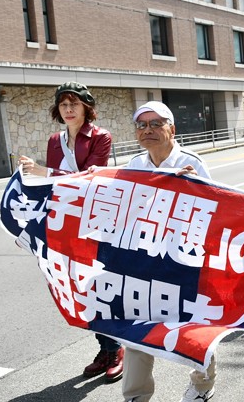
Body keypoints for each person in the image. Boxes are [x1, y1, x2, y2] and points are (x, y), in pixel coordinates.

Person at [18, 82, 123, 382]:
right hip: (65, 222)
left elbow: (90, 178)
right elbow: (50, 188)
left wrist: (44, 172)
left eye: (74, 104)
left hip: (95, 221)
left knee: (98, 285)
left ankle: (115, 349)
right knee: (77, 288)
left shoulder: (100, 136)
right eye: (63, 104)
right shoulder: (55, 140)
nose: (68, 109)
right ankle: (105, 348)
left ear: (86, 108)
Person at [121, 101, 216, 402]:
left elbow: (217, 212)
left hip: (185, 263)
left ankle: (203, 385)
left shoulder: (192, 163)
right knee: (136, 331)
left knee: (195, 328)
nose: (147, 130)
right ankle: (136, 395)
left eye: (156, 123)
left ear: (172, 129)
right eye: (141, 125)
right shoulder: (133, 166)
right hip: (143, 262)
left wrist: (192, 187)